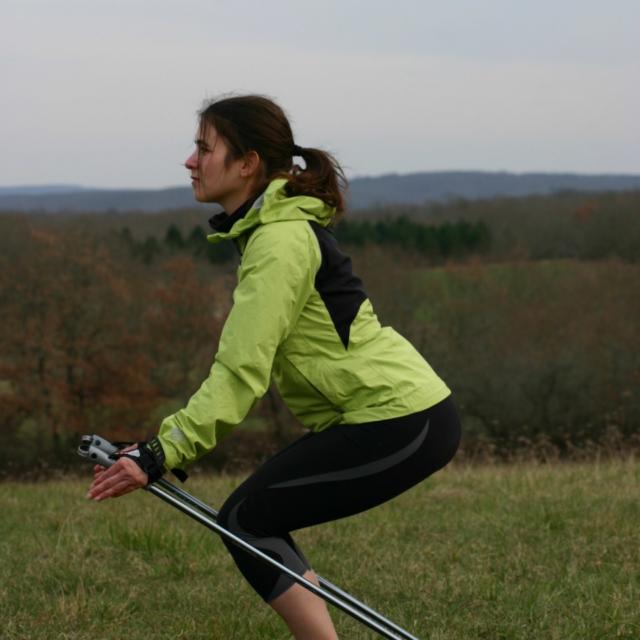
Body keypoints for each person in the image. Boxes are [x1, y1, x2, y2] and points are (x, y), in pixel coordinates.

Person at [87, 94, 462, 640]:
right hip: (391, 417)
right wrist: (157, 443)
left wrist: (163, 450)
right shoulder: (273, 231)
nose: (190, 162)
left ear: (247, 164)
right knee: (252, 518)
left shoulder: (279, 241)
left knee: (248, 519)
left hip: (401, 419)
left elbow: (241, 371)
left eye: (203, 148)